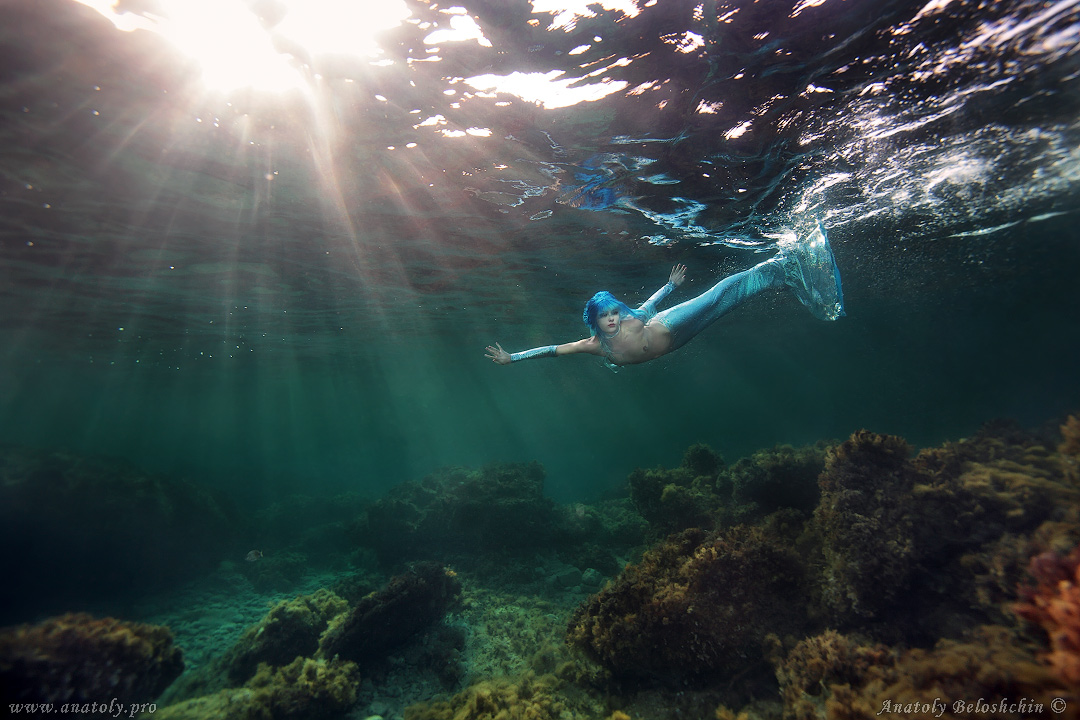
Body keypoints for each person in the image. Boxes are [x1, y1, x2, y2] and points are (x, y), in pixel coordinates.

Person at [484, 222, 845, 368]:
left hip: (671, 325)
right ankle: (787, 278)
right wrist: (512, 358)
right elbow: (550, 350)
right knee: (732, 304)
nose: (611, 319)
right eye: (604, 316)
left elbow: (652, 305)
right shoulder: (595, 345)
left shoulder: (632, 319)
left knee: (720, 293)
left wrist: (671, 285)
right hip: (679, 342)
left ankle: (786, 261)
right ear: (594, 322)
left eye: (613, 312)